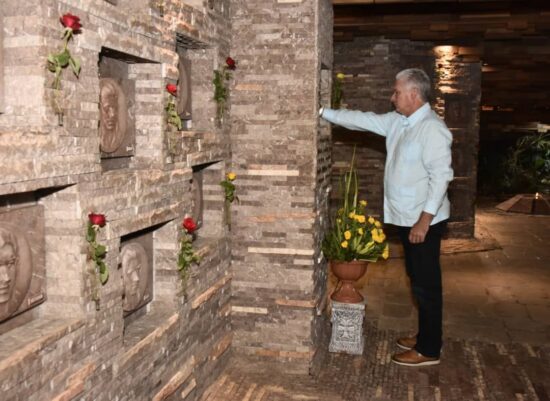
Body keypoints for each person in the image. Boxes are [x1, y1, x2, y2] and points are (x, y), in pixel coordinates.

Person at [320, 68, 453, 367]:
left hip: (424, 221)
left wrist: (424, 221)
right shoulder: (398, 122)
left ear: (414, 95)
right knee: (417, 279)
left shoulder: (432, 129)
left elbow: (441, 177)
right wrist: (322, 112)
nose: (392, 97)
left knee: (427, 285)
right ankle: (424, 336)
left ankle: (429, 349)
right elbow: (362, 119)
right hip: (408, 218)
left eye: (396, 92)